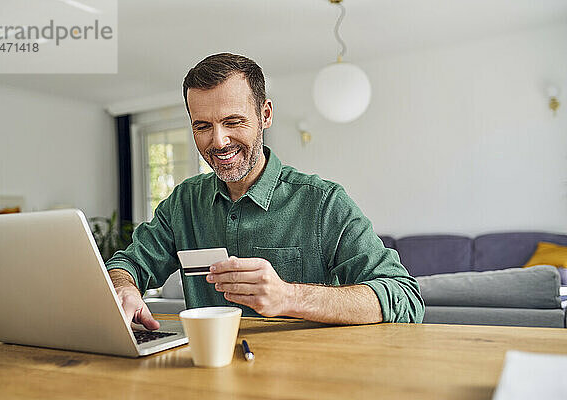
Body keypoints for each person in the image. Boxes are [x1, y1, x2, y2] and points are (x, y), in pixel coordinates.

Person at [106, 53, 424, 329]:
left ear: (265, 115)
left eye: (233, 121)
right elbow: (127, 263)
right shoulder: (184, 203)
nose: (218, 141)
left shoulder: (323, 203)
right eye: (202, 126)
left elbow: (405, 298)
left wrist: (289, 296)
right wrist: (125, 286)